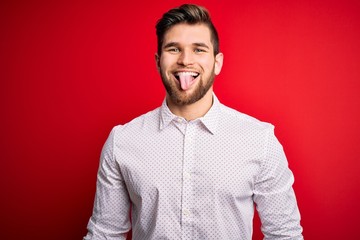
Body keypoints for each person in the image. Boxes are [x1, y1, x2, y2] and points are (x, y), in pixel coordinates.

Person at [84, 4, 303, 240]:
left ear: (217, 62)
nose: (186, 60)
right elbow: (104, 235)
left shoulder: (260, 140)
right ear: (158, 61)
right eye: (173, 49)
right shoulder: (123, 141)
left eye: (199, 50)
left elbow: (285, 235)